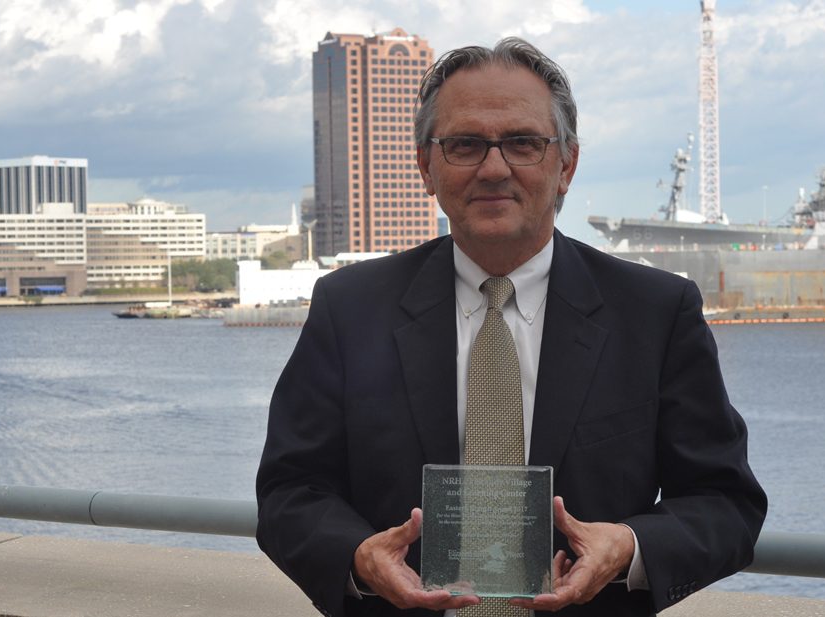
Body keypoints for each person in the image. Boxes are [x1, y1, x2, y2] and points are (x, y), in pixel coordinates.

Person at [256, 37, 766, 617]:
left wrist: (628, 546)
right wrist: (356, 556)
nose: (494, 168)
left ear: (566, 164)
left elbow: (726, 504)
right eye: (465, 144)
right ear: (427, 166)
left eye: (523, 143)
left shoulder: (654, 312)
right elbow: (288, 493)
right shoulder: (349, 308)